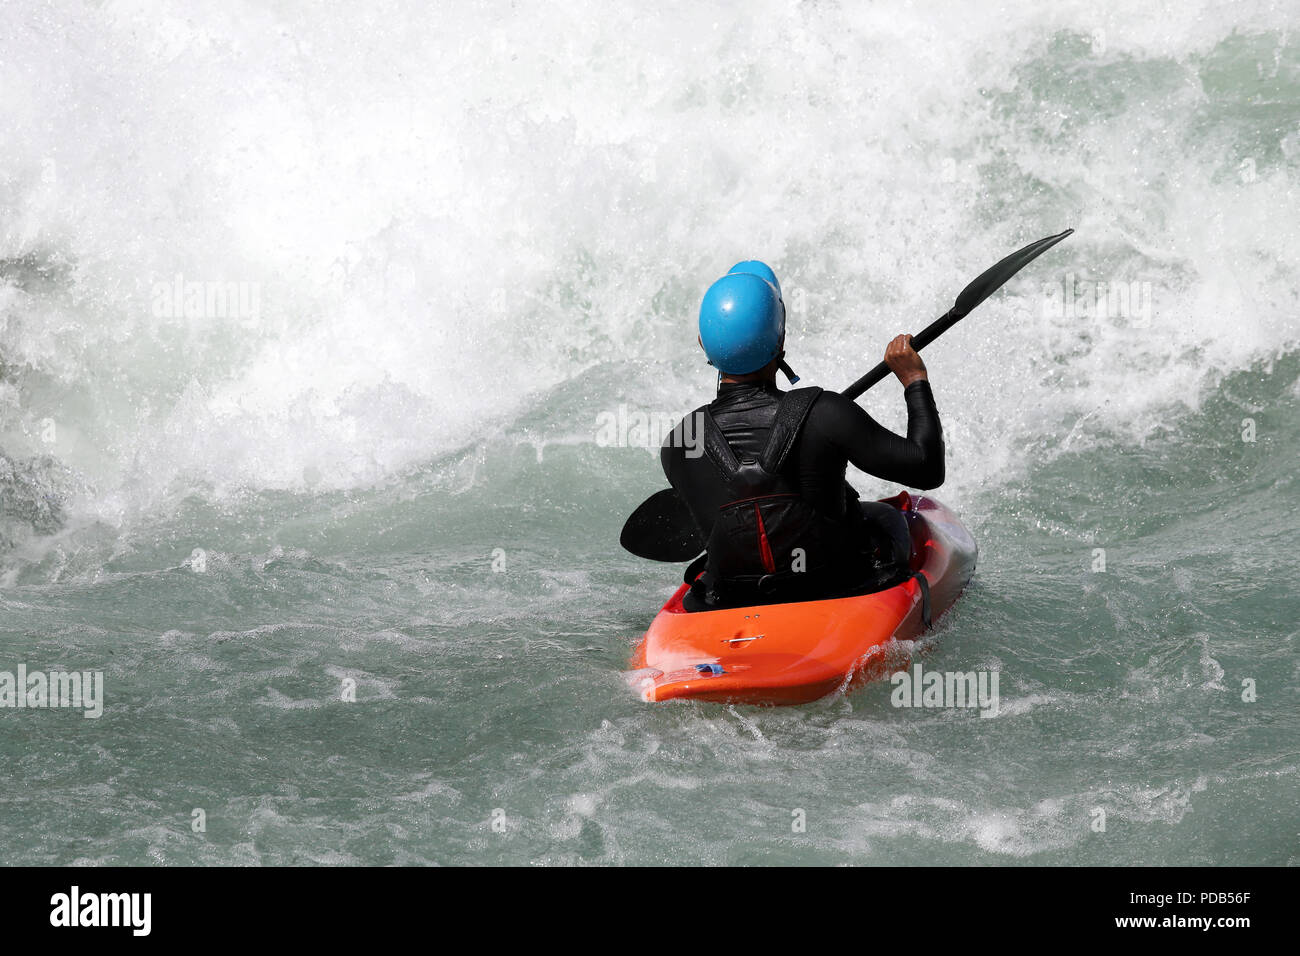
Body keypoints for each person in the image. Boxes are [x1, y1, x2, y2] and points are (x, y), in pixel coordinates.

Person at [661, 261, 944, 609]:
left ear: (703, 343)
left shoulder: (677, 444)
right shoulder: (826, 411)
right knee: (892, 515)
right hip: (833, 585)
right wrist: (914, 381)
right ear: (780, 339)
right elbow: (927, 468)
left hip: (731, 599)